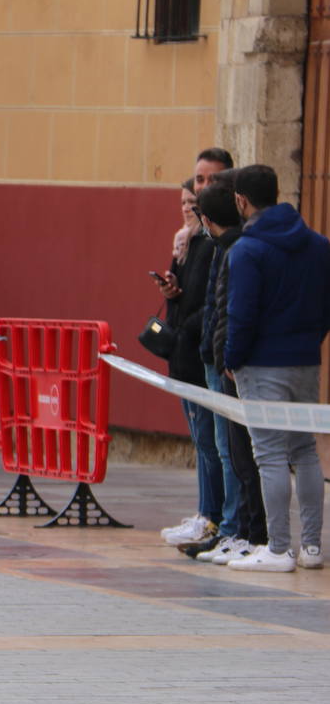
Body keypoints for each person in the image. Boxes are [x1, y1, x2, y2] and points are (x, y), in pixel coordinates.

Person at [224, 164, 330, 572]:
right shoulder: (318, 245)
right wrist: (309, 341)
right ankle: (313, 548)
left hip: (261, 364)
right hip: (305, 360)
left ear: (241, 200)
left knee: (269, 454)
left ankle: (279, 548)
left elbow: (241, 314)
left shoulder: (247, 250)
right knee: (304, 451)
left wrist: (233, 359)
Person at [201, 176, 269, 566]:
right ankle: (242, 529)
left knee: (241, 454)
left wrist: (227, 357)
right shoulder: (234, 249)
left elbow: (230, 311)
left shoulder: (236, 252)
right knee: (239, 453)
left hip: (233, 365)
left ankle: (247, 532)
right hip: (232, 359)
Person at [157, 170, 223, 548]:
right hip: (182, 353)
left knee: (211, 443)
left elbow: (209, 304)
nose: (186, 209)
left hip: (198, 355)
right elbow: (185, 299)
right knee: (202, 441)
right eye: (182, 203)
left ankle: (213, 517)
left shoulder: (211, 246)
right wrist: (171, 291)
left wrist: (185, 329)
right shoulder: (184, 244)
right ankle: (205, 512)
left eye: (192, 204)